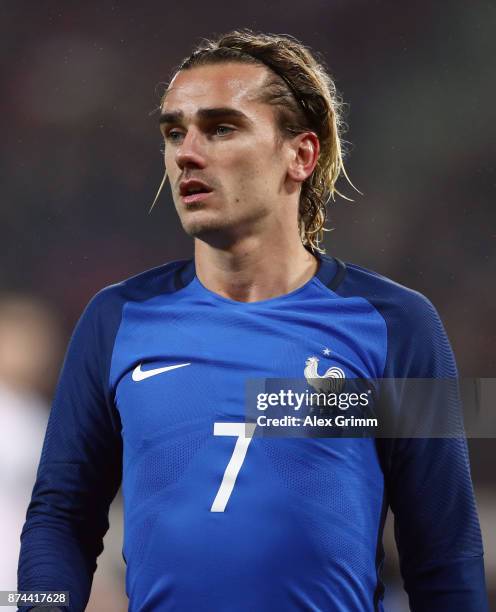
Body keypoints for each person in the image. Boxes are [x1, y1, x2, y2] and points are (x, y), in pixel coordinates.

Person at [18, 30, 488, 611]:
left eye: (220, 128)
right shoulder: (116, 318)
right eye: (173, 132)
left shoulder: (398, 325)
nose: (186, 152)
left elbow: (444, 552)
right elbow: (59, 516)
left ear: (301, 154)